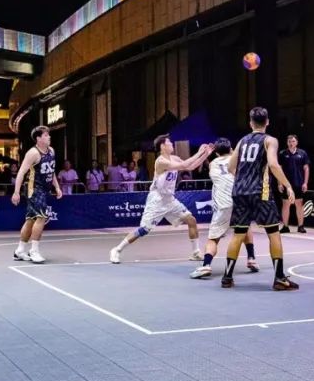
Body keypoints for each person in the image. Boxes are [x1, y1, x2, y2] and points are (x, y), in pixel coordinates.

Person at [222, 107, 298, 290]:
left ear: (251, 123)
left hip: (240, 192)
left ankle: (227, 277)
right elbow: (273, 164)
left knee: (238, 234)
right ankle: (279, 278)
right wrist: (288, 185)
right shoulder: (270, 140)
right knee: (274, 233)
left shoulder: (242, 141)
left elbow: (230, 166)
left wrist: (243, 180)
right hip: (260, 193)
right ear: (267, 122)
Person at [109, 135, 212, 264]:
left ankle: (196, 253)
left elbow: (189, 167)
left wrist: (205, 154)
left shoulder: (174, 158)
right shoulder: (161, 161)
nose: (172, 144)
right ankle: (117, 250)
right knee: (144, 230)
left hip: (169, 199)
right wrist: (199, 152)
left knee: (191, 220)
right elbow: (184, 164)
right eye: (169, 142)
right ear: (162, 146)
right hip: (157, 199)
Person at [190, 138, 258, 279]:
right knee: (246, 228)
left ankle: (206, 265)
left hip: (223, 206)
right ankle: (251, 258)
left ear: (216, 153)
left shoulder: (213, 164)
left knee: (213, 239)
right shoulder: (238, 161)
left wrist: (206, 153)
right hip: (239, 202)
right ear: (231, 149)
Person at [11, 126, 62, 263]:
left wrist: (57, 187)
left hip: (45, 190)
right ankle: (34, 251)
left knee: (31, 220)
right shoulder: (33, 153)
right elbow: (21, 172)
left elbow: (51, 171)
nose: (49, 137)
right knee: (41, 217)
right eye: (45, 135)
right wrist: (16, 192)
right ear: (38, 138)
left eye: (48, 135)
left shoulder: (51, 151)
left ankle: (20, 250)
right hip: (34, 189)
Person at [278, 134, 311, 233]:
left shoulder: (302, 153)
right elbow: (279, 169)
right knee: (285, 204)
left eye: (293, 141)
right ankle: (285, 226)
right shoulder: (282, 153)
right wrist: (280, 183)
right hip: (286, 184)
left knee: (299, 204)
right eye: (289, 141)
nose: (291, 143)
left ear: (296, 142)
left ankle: (300, 226)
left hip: (298, 183)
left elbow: (306, 168)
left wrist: (305, 183)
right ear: (287, 143)